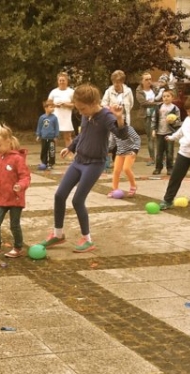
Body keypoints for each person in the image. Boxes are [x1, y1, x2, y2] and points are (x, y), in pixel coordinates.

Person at [40, 84, 127, 253]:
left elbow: (122, 135)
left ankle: (87, 240)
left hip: (94, 164)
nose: (81, 113)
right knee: (59, 195)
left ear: (94, 102)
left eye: (82, 109)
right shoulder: (87, 115)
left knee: (77, 200)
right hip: (79, 161)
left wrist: (120, 119)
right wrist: (71, 147)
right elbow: (83, 135)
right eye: (78, 109)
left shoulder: (106, 116)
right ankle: (58, 235)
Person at [0, 125, 31, 258]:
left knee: (14, 225)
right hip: (1, 198)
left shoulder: (17, 159)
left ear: (8, 142)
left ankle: (18, 247)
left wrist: (20, 186)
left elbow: (25, 177)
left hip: (15, 199)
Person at [101, 69, 134, 170]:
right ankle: (105, 161)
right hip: (112, 118)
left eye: (118, 81)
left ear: (122, 81)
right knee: (111, 140)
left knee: (122, 140)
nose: (116, 84)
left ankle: (118, 161)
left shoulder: (128, 91)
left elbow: (131, 104)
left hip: (124, 118)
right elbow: (103, 104)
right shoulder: (109, 91)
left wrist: (123, 111)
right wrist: (112, 108)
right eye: (114, 81)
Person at [136, 72, 165, 166]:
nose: (149, 81)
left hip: (158, 114)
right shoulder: (139, 91)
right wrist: (156, 103)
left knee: (161, 136)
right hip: (147, 116)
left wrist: (156, 102)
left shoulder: (155, 89)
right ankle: (152, 158)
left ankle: (162, 158)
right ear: (142, 81)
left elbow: (162, 97)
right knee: (150, 137)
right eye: (146, 79)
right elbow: (143, 103)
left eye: (150, 79)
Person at [151, 88, 181, 176]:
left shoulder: (175, 108)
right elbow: (154, 118)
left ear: (172, 97)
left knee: (169, 152)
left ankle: (170, 168)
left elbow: (178, 121)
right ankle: (158, 168)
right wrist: (153, 129)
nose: (166, 98)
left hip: (169, 133)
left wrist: (173, 122)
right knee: (159, 152)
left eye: (168, 96)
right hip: (160, 132)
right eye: (164, 96)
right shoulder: (159, 107)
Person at [107, 125, 141, 198]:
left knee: (126, 168)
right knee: (116, 170)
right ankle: (114, 189)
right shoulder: (113, 130)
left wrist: (135, 150)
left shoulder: (128, 129)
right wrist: (107, 150)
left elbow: (137, 138)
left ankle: (133, 186)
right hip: (120, 152)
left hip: (130, 151)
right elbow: (112, 142)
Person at [48, 72, 75, 148]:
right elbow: (48, 104)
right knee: (53, 137)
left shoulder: (71, 92)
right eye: (60, 80)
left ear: (67, 81)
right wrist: (55, 105)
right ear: (58, 81)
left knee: (68, 137)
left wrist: (65, 104)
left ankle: (70, 153)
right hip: (55, 117)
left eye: (63, 80)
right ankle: (51, 154)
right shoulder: (53, 92)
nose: (62, 82)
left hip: (66, 118)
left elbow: (75, 105)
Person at [36, 99, 59, 169]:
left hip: (51, 138)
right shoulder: (42, 117)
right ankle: (44, 163)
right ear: (46, 108)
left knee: (51, 151)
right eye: (51, 107)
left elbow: (56, 127)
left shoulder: (54, 118)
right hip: (44, 138)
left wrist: (56, 136)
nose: (53, 108)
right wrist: (38, 135)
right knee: (44, 150)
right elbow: (39, 126)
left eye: (53, 107)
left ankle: (51, 164)